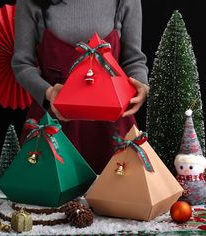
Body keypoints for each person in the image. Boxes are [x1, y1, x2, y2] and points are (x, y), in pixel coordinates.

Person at [11, 0, 149, 174]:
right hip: (55, 121)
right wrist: (48, 92)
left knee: (118, 195)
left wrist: (141, 85)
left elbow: (134, 59)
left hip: (112, 126)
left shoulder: (124, 1)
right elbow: (22, 64)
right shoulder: (31, 3)